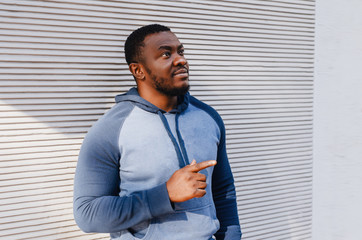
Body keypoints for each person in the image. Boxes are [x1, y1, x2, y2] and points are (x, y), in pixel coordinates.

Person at [73, 24, 242, 240]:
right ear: (138, 70)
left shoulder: (207, 117)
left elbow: (223, 190)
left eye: (180, 51)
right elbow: (87, 214)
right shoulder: (111, 129)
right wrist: (165, 195)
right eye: (165, 54)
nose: (181, 60)